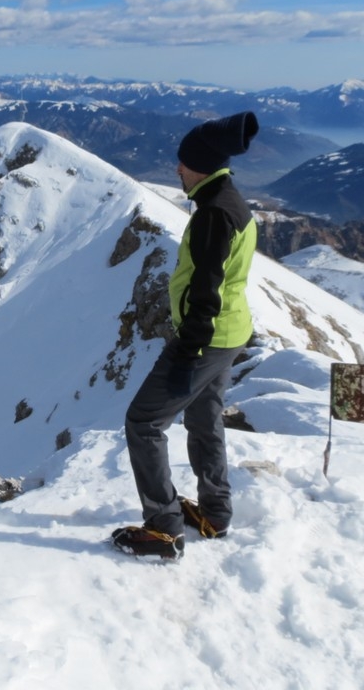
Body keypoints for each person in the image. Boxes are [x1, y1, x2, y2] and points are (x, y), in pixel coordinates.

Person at [112, 111, 259, 559]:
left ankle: (163, 526)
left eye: (182, 162)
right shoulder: (231, 202)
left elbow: (206, 289)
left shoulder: (213, 215)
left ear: (201, 165)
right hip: (229, 333)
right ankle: (214, 514)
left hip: (206, 338)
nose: (177, 169)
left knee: (143, 422)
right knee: (203, 418)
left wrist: (186, 352)